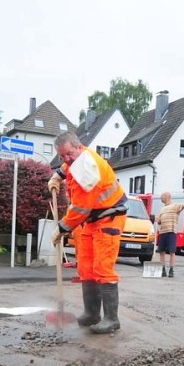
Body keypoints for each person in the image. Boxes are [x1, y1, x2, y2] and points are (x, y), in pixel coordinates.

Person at [48, 132, 128, 333]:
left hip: (109, 218)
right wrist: (58, 174)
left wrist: (62, 227)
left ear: (79, 146)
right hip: (92, 220)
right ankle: (92, 314)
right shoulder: (75, 160)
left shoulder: (88, 167)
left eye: (68, 154)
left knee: (103, 267)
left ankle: (111, 319)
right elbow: (69, 165)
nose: (66, 159)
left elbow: (81, 208)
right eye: (61, 156)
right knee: (86, 267)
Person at [155, 191, 184, 277]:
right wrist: (158, 220)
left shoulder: (175, 206)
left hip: (171, 231)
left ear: (166, 197)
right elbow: (160, 222)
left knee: (172, 251)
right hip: (162, 232)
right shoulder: (162, 209)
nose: (161, 198)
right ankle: (163, 270)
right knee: (161, 251)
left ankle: (171, 270)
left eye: (162, 196)